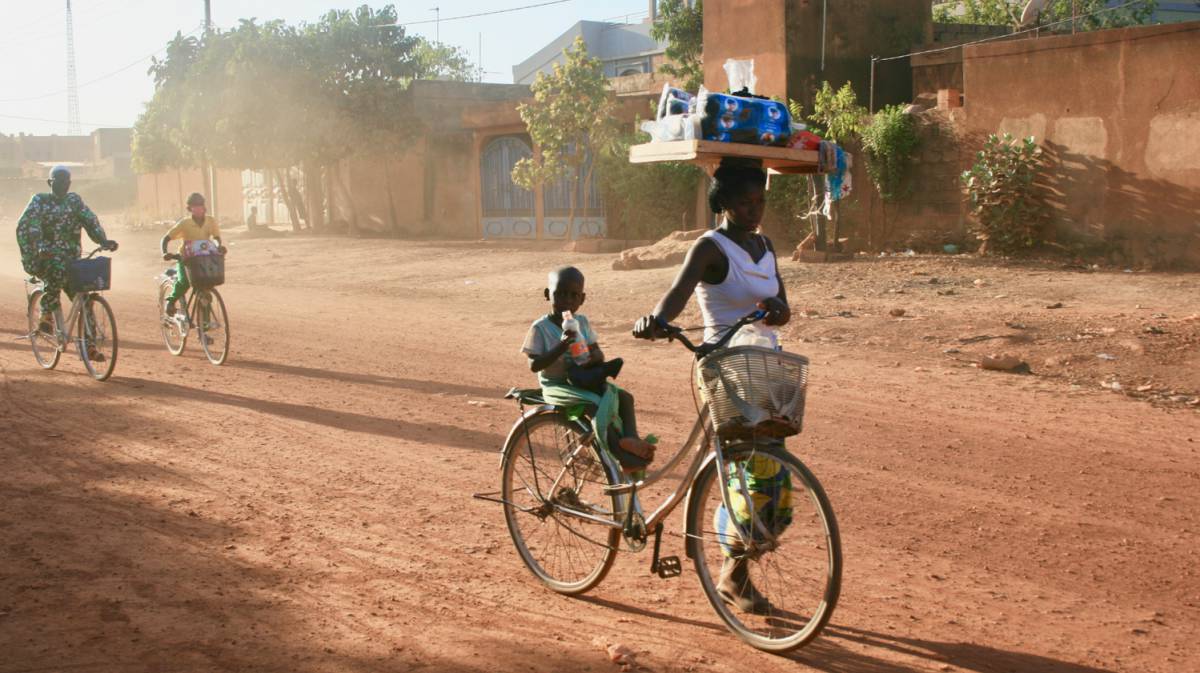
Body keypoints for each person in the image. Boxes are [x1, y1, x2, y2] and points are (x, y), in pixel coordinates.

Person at [632, 160, 791, 615]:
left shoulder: (765, 245)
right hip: (724, 369)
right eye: (744, 202)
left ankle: (733, 567)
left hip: (765, 368)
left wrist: (777, 308)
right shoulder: (710, 247)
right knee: (752, 473)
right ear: (723, 203)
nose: (754, 210)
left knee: (776, 480)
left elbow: (784, 306)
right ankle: (733, 572)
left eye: (760, 201)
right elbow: (677, 294)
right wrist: (655, 322)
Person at [522, 266, 655, 472]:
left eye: (573, 295)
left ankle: (631, 439)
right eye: (560, 294)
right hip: (557, 385)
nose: (567, 300)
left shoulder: (581, 322)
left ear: (582, 299)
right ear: (548, 294)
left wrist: (594, 357)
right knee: (594, 405)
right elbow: (534, 365)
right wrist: (561, 346)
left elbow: (596, 351)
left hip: (582, 379)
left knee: (625, 398)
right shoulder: (540, 328)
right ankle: (621, 456)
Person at [16, 165, 118, 334]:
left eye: (67, 181)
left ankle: (90, 342)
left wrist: (103, 240)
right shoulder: (39, 201)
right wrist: (39, 246)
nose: (64, 185)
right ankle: (46, 314)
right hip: (44, 258)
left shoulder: (74, 201)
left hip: (71, 260)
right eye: (60, 181)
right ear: (50, 182)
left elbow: (90, 220)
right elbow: (30, 226)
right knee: (56, 271)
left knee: (85, 297)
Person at [161, 193, 225, 317]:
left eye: (200, 206)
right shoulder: (185, 223)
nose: (198, 209)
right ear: (190, 208)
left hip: (204, 257)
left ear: (204, 207)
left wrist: (218, 246)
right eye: (194, 206)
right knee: (184, 282)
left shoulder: (210, 221)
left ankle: (204, 321)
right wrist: (164, 252)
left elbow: (216, 238)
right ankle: (171, 301)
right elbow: (166, 238)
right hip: (186, 258)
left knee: (208, 284)